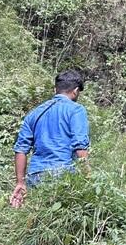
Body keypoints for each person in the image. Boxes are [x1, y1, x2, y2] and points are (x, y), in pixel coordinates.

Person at [10, 70, 90, 208]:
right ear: (76, 91)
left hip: (35, 175)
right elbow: (80, 146)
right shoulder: (76, 110)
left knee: (39, 220)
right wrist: (88, 176)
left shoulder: (34, 113)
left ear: (55, 89)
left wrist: (20, 183)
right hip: (64, 172)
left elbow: (21, 149)